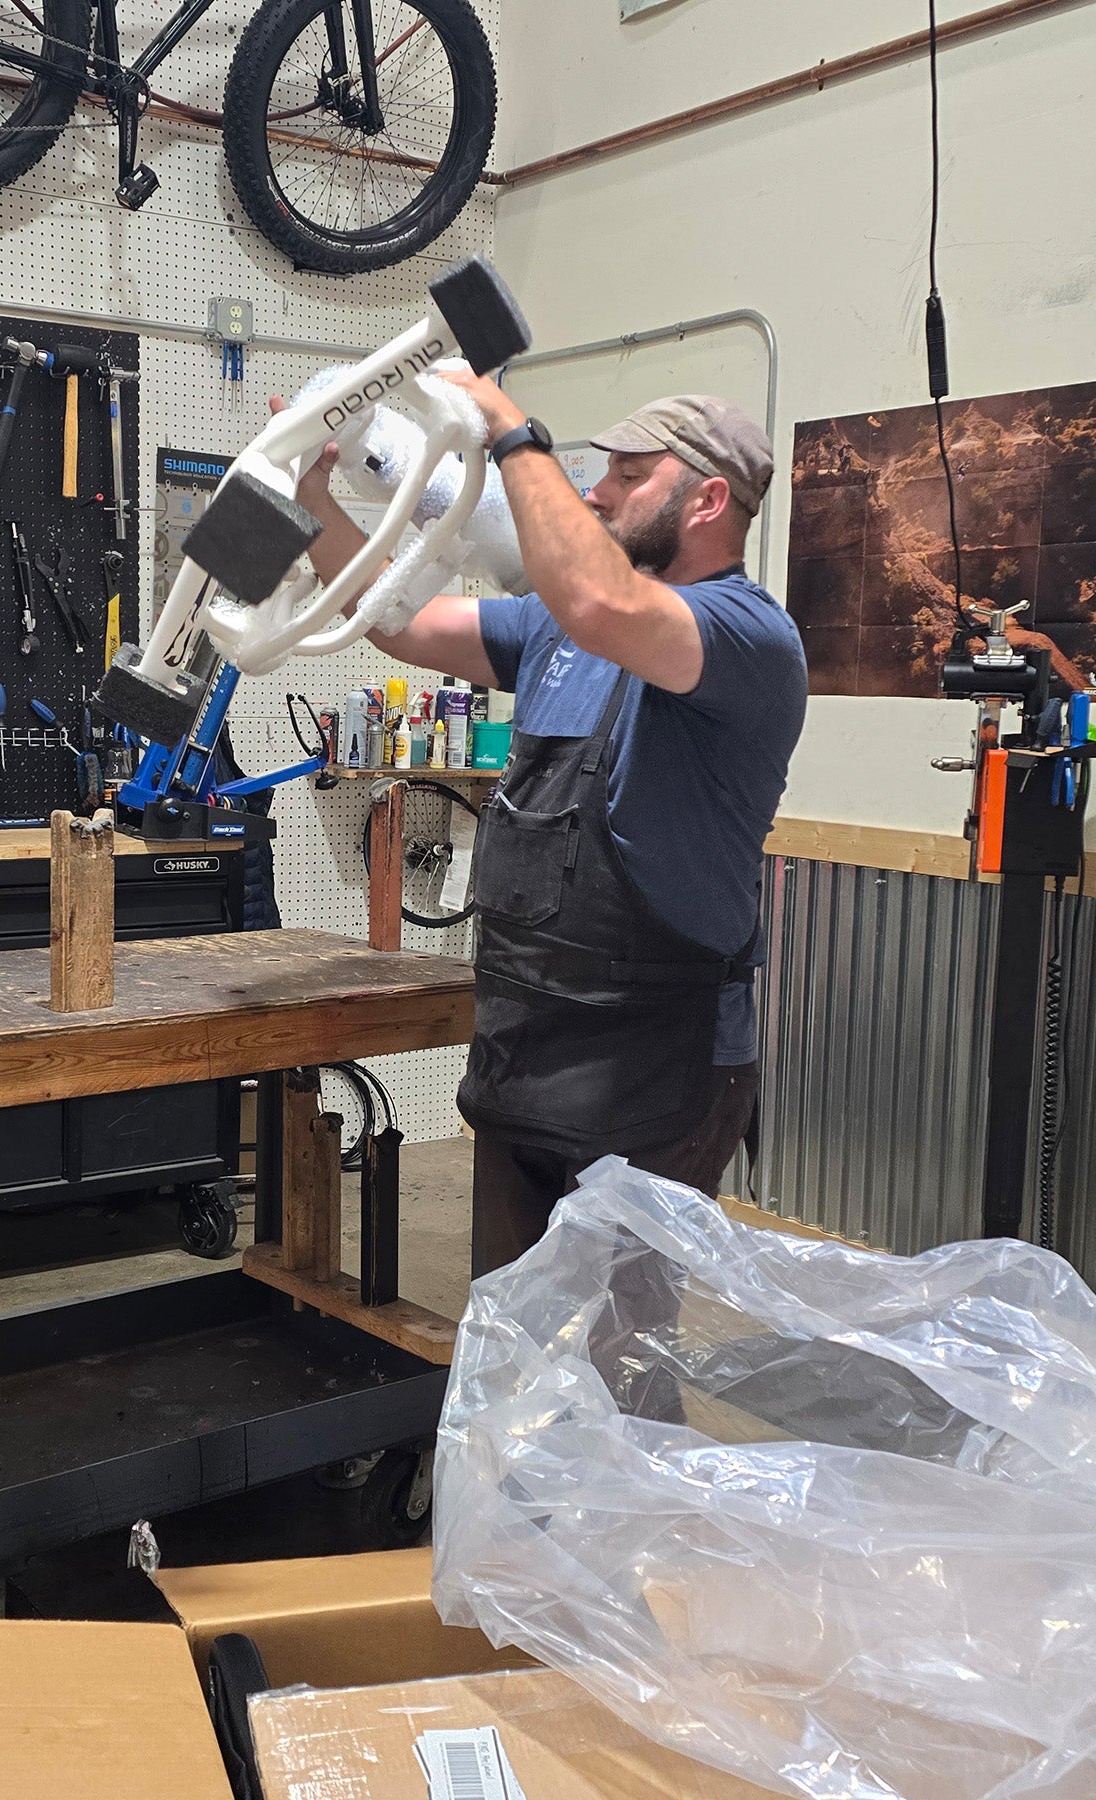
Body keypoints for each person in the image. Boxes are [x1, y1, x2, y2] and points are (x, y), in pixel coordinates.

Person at [284, 380, 807, 1276]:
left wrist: (510, 433)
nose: (599, 494)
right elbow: (403, 625)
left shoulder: (747, 636)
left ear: (709, 499)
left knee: (617, 1360)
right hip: (529, 1047)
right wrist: (313, 503)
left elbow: (607, 605)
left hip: (658, 1066)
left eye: (631, 477)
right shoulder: (561, 633)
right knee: (511, 1336)